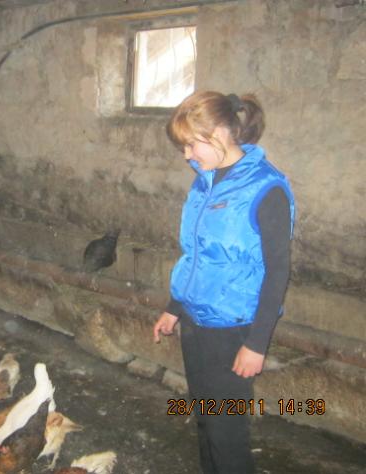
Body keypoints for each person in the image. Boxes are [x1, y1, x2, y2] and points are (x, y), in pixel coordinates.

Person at [153, 91, 295, 474]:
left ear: (218, 133)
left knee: (226, 433)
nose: (187, 155)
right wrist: (175, 307)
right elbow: (200, 254)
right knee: (204, 419)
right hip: (196, 322)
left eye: (191, 144)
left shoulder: (266, 188)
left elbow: (277, 271)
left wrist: (256, 344)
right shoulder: (205, 182)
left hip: (233, 330)